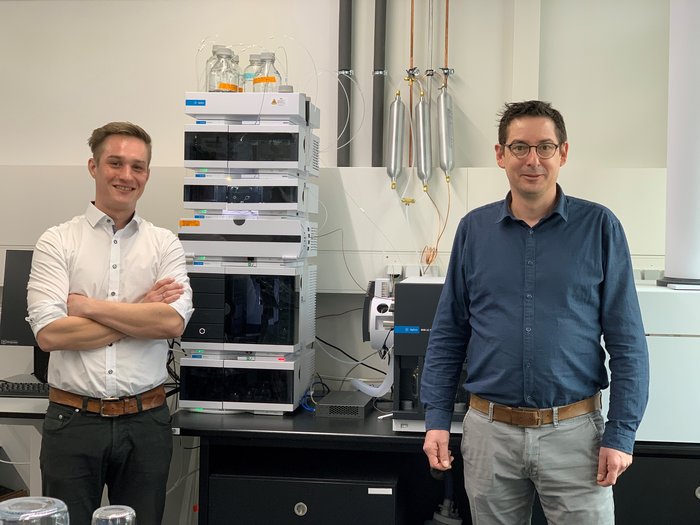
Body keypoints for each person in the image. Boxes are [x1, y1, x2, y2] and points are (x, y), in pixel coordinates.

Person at [420, 100, 649, 524]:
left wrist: (621, 432)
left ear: (563, 153)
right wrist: (436, 420)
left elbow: (628, 342)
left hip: (576, 437)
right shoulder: (473, 229)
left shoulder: (599, 227)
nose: (532, 160)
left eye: (545, 147)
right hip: (489, 435)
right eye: (520, 147)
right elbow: (449, 333)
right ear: (500, 154)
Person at [26, 122, 194, 525]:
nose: (126, 175)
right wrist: (141, 312)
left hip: (146, 422)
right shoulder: (57, 242)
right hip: (73, 422)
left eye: (137, 166)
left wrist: (85, 306)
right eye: (115, 163)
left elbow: (171, 323)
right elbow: (51, 334)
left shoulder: (164, 243)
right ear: (93, 167)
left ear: (148, 175)